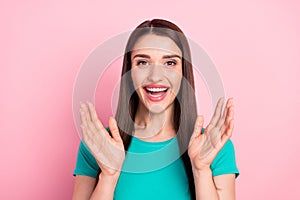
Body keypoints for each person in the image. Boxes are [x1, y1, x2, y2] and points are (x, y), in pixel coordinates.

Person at [72, 19, 239, 200]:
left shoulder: (214, 147)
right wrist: (108, 177)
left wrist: (201, 170)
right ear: (130, 72)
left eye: (170, 63)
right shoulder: (98, 145)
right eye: (143, 62)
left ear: (184, 72)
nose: (155, 76)